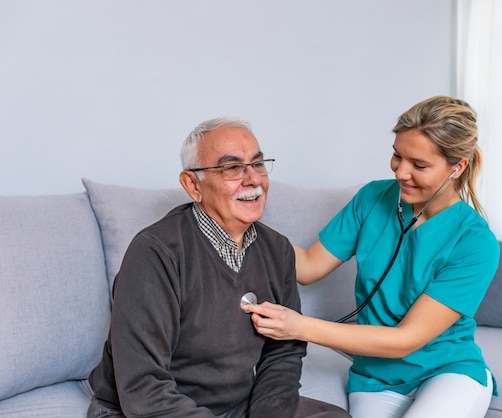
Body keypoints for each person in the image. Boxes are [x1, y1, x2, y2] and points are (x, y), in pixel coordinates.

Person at [244, 96, 500, 418]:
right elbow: (309, 266)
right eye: (397, 156)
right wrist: (245, 223)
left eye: (419, 165)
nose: (401, 173)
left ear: (458, 166)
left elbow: (405, 340)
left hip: (448, 371)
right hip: (375, 378)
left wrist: (299, 326)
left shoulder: (475, 242)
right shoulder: (372, 198)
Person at [87, 117, 351, 418]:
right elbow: (143, 389)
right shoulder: (155, 253)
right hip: (143, 411)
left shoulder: (277, 250)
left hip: (235, 407)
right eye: (232, 168)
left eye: (258, 164)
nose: (253, 180)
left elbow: (283, 351)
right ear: (192, 185)